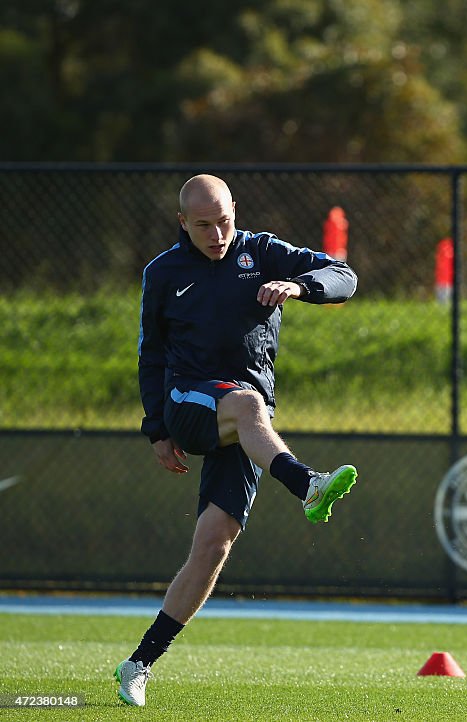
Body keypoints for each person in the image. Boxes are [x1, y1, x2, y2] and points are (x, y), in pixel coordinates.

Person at [115, 174, 359, 707]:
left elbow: (345, 275)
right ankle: (308, 486)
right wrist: (156, 427)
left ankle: (138, 663)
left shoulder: (262, 253)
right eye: (203, 224)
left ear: (235, 211)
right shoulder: (163, 273)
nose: (217, 233)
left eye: (224, 220)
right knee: (247, 403)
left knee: (214, 544)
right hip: (189, 401)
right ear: (183, 222)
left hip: (250, 428)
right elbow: (150, 354)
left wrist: (299, 286)